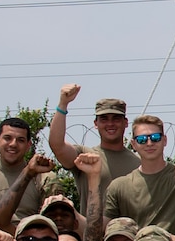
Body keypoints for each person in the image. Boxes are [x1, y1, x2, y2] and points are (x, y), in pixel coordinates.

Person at [48, 86, 140, 217]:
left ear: (125, 123)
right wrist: (63, 104)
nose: (110, 124)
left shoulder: (139, 163)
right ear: (95, 123)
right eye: (104, 119)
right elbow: (57, 145)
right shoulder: (85, 157)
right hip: (93, 233)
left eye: (116, 118)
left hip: (129, 233)